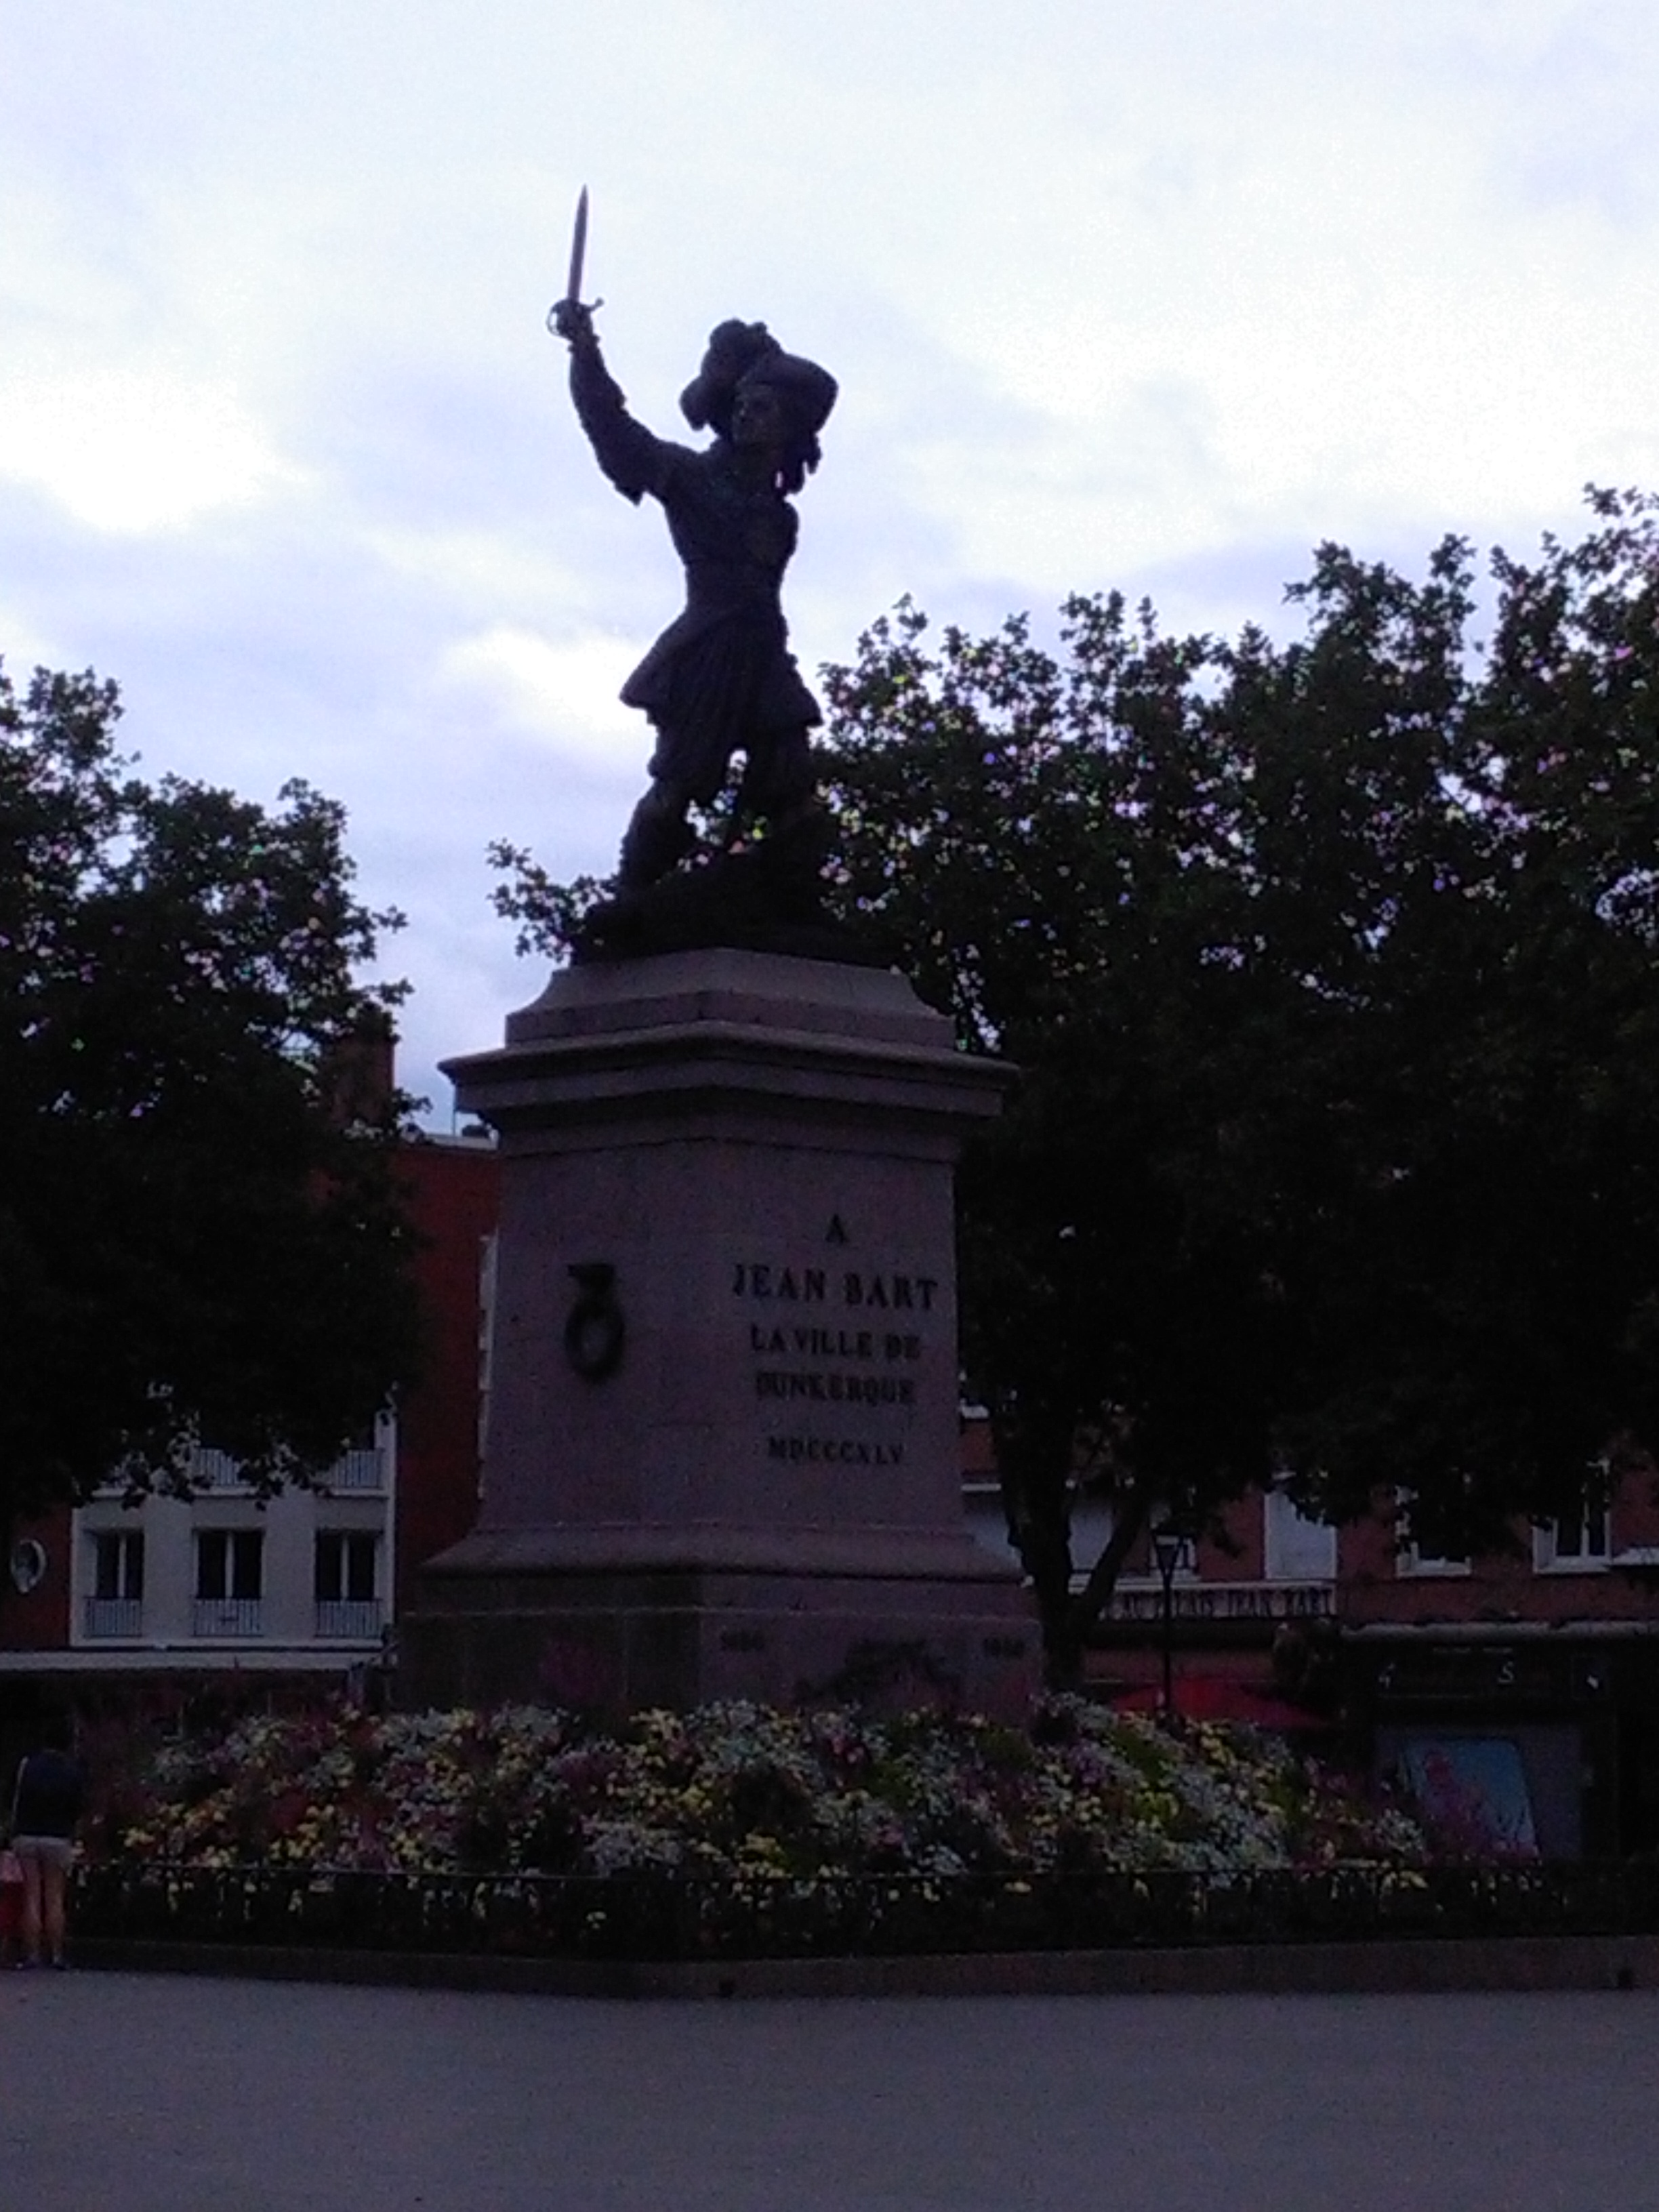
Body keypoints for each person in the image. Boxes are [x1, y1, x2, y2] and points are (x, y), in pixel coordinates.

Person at [550, 301, 838, 892]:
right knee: (678, 785)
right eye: (742, 405)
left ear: (791, 428)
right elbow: (612, 429)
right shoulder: (692, 478)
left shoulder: (781, 516)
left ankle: (791, 901)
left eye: (762, 407)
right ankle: (631, 895)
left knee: (795, 792)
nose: (746, 415)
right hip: (710, 651)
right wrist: (585, 350)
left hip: (766, 655)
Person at [9, 1716, 86, 1969]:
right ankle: (56, 1955)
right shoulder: (72, 1770)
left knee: (32, 1894)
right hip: (58, 1836)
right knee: (55, 1896)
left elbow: (16, 1800)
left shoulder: (27, 1765)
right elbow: (77, 1807)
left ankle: (31, 1954)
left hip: (27, 1834)